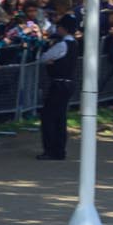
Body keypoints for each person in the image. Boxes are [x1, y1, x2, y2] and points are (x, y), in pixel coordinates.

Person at [36, 15, 77, 159]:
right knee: (60, 118)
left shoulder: (62, 45)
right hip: (68, 83)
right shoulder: (74, 44)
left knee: (49, 118)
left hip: (59, 84)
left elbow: (45, 57)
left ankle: (50, 150)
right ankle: (59, 150)